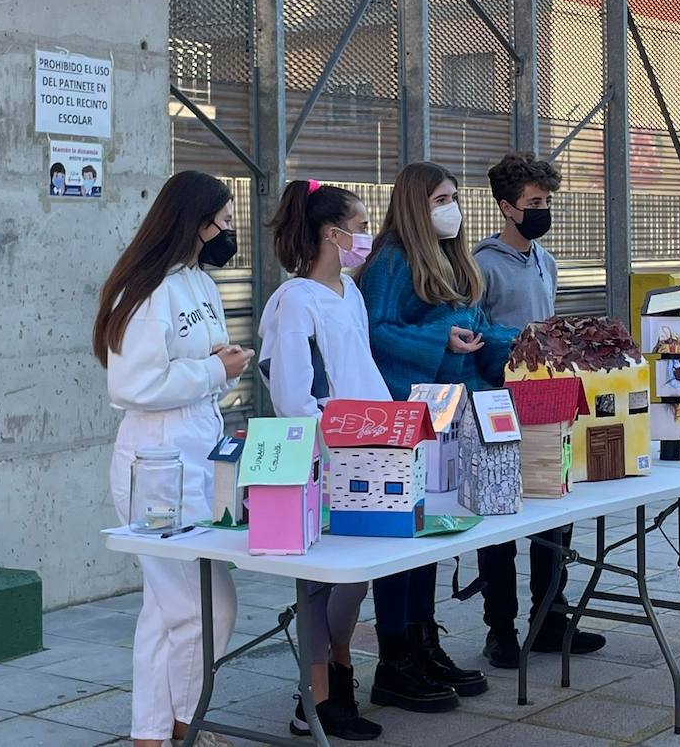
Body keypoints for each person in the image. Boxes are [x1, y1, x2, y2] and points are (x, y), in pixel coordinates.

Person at [94, 171, 254, 747]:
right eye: (224, 222)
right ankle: (188, 725)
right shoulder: (145, 288)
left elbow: (191, 360)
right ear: (193, 222)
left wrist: (219, 359)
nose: (228, 233)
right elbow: (133, 384)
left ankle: (154, 734)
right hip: (157, 464)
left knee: (165, 612)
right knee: (204, 607)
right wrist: (217, 370)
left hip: (197, 454)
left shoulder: (199, 283)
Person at [358, 161, 517, 708]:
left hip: (451, 414)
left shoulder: (453, 258)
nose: (451, 207)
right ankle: (394, 657)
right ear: (414, 205)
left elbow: (478, 327)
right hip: (409, 416)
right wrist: (438, 340)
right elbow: (375, 332)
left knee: (428, 538)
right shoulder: (390, 261)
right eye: (440, 199)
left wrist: (516, 342)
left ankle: (422, 641)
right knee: (404, 536)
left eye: (452, 196)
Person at [258, 179, 386, 740]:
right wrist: (340, 430)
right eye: (360, 228)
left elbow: (359, 370)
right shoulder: (294, 301)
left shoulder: (350, 294)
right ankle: (318, 695)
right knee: (317, 582)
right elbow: (290, 394)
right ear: (333, 234)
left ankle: (337, 672)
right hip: (321, 456)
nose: (367, 237)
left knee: (354, 577)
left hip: (369, 451)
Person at [469, 153, 606, 668]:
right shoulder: (481, 266)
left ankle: (551, 618)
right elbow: (478, 338)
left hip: (548, 402)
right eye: (533, 203)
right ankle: (499, 629)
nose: (542, 210)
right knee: (502, 520)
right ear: (506, 207)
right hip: (499, 402)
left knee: (556, 515)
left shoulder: (546, 261)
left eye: (547, 201)